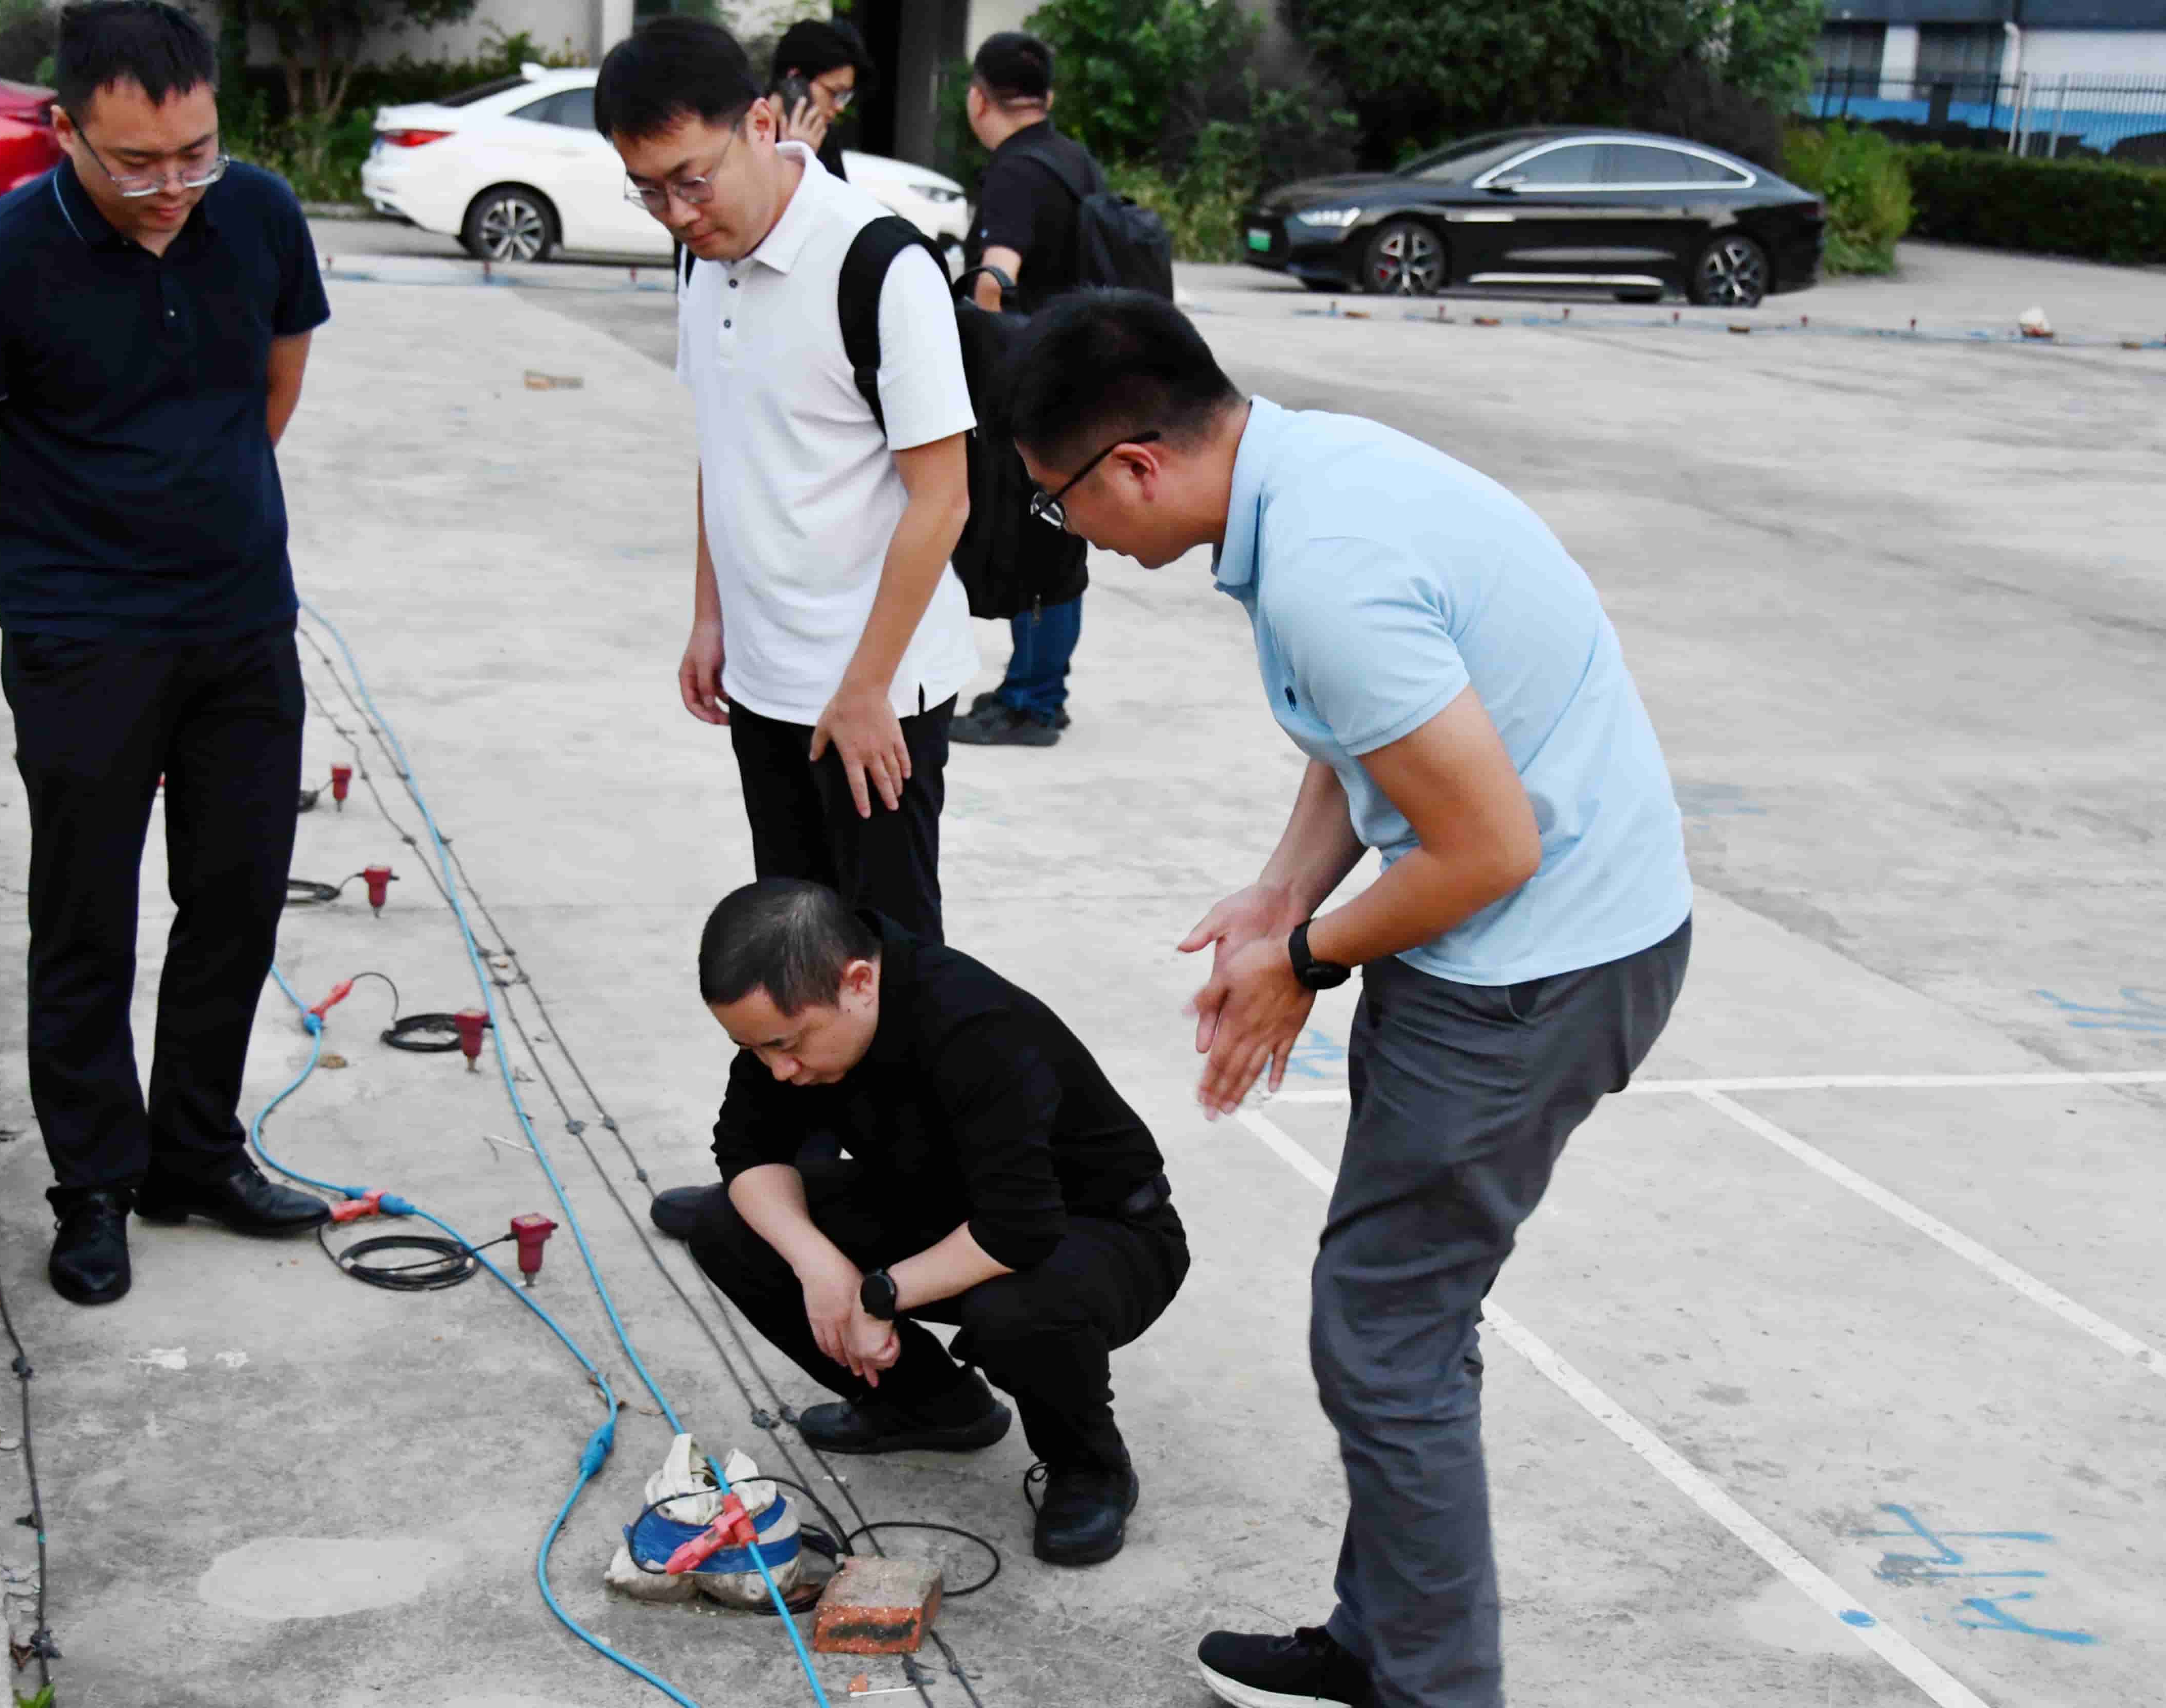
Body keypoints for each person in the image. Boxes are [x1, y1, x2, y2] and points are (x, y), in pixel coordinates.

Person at [1004, 291, 1694, 1708]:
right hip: (1533, 943)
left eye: (1058, 504)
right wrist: (1281, 894)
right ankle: (1385, 1640)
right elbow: (1368, 730)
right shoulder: (1307, 473)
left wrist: (1305, 960)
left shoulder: (1326, 562)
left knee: (1382, 1337)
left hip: (1531, 970)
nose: (1069, 534)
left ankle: (1431, 1686)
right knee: (1404, 1323)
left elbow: (1487, 848)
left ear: (1135, 465)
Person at [0, 0, 334, 1307]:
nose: (172, 186)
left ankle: (194, 1152)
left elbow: (273, 388)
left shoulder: (258, 214)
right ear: (65, 129)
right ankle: (93, 1182)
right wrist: (59, 548)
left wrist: (200, 514)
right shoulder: (0, 256)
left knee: (236, 896)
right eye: (136, 162)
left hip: (242, 622)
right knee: (86, 912)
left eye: (195, 151)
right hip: (84, 640)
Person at [599, 17, 974, 1239]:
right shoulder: (701, 262)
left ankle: (922, 1206)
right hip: (766, 684)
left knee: (884, 966)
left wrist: (864, 688)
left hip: (875, 700)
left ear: (764, 122)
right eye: (647, 190)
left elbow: (943, 496)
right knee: (787, 958)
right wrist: (709, 613)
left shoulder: (880, 266)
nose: (676, 212)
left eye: (691, 178)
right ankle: (804, 1181)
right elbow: (724, 447)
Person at [682, 879, 1188, 1567]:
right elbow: (746, 1152)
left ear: (859, 982)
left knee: (1015, 1311)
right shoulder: (799, 1020)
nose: (778, 1069)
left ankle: (1089, 1466)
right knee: (726, 1223)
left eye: (787, 1044)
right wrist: (820, 1265)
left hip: (1100, 1228)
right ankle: (931, 1405)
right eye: (755, 1050)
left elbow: (1019, 1227)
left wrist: (878, 1295)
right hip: (946, 1202)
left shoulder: (973, 1023)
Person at [943, 31, 1100, 751]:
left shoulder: (1014, 171)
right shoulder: (1074, 160)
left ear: (980, 99)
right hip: (1087, 371)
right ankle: (1040, 691)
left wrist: (990, 355)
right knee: (1061, 538)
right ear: (1047, 96)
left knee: (1033, 540)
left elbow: (996, 278)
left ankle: (1032, 703)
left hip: (1035, 383)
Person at [766, 16, 867, 184]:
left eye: (845, 96)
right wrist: (796, 160)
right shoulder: (747, 134)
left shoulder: (824, 137)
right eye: (835, 93)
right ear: (795, 80)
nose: (840, 107)